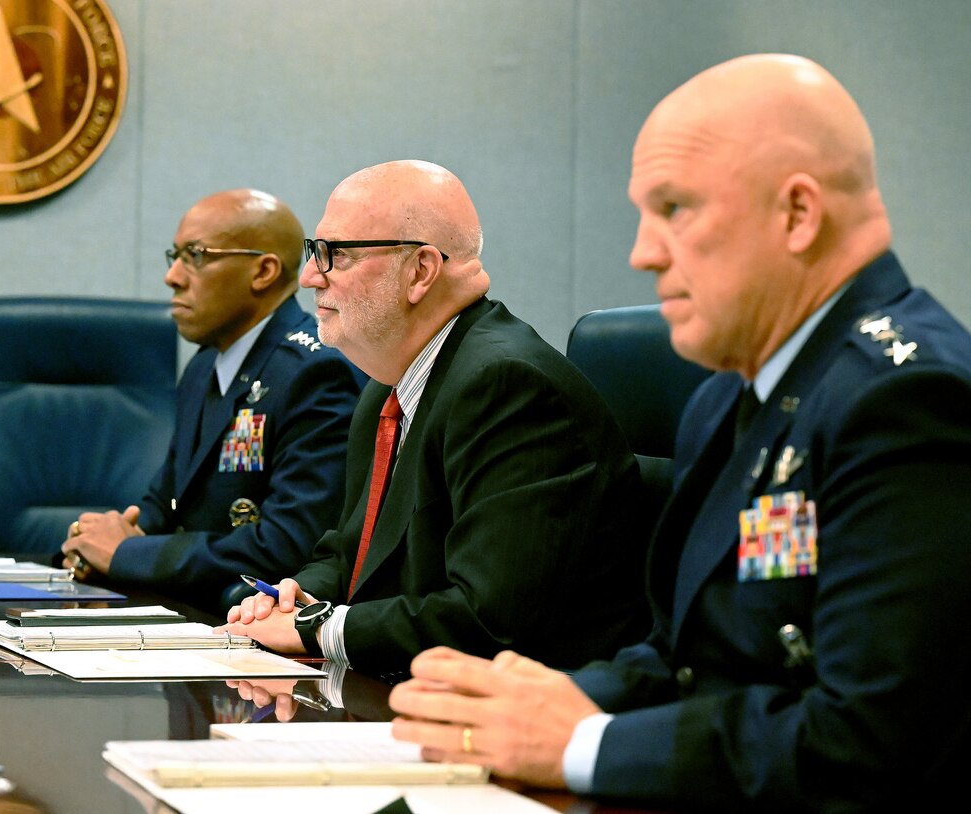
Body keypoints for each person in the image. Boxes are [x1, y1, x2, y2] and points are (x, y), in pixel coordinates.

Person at [388, 54, 971, 810]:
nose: (643, 252)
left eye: (675, 209)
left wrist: (580, 743)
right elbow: (682, 658)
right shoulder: (730, 395)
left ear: (798, 214)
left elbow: (870, 744)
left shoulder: (908, 398)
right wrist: (545, 701)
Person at [220, 160, 648, 678]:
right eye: (316, 252)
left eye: (334, 255)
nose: (310, 276)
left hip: (515, 726)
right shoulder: (390, 382)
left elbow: (487, 618)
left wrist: (317, 629)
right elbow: (349, 554)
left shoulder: (508, 386)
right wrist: (298, 599)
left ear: (420, 271)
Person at [61, 189, 363, 613]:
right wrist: (98, 541)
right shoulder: (204, 365)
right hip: (188, 607)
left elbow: (288, 545)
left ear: (263, 271)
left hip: (253, 630)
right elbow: (166, 502)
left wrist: (126, 555)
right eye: (176, 256)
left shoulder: (315, 371)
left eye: (196, 255)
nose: (173, 276)